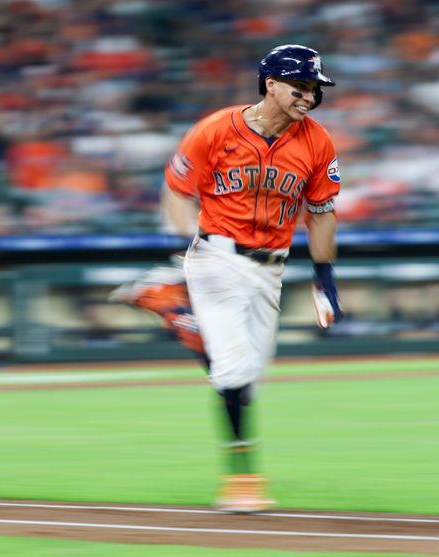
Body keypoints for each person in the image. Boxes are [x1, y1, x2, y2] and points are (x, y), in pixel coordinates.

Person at [111, 44, 343, 513]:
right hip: (217, 255)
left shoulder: (319, 142)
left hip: (271, 267)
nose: (309, 97)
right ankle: (243, 479)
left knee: (247, 381)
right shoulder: (216, 129)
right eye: (300, 87)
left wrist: (325, 277)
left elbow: (321, 214)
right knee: (234, 372)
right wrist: (184, 246)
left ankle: (174, 309)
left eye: (315, 90)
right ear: (270, 84)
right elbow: (177, 191)